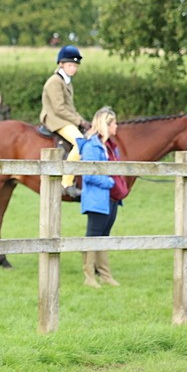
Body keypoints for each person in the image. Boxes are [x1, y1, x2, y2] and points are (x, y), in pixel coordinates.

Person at [79, 107, 124, 288]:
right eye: (113, 122)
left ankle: (105, 275)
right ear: (106, 125)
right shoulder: (91, 146)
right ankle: (89, 276)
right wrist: (110, 183)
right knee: (93, 235)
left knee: (105, 235)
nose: (116, 125)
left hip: (111, 198)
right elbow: (88, 174)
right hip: (98, 198)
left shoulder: (110, 147)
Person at [40, 45, 87, 198]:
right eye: (70, 65)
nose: (73, 68)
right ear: (61, 64)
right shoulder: (55, 81)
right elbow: (59, 108)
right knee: (80, 143)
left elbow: (70, 108)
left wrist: (82, 120)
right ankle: (66, 183)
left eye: (75, 66)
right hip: (56, 120)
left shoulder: (66, 81)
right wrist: (79, 121)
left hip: (64, 118)